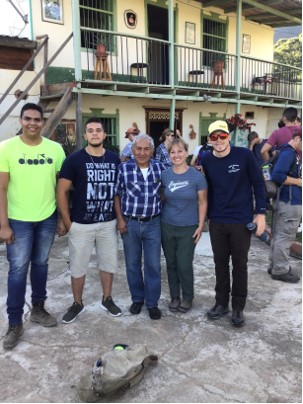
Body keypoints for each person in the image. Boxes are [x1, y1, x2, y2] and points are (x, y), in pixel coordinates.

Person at [0, 103, 66, 350]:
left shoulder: (56, 149)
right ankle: (15, 323)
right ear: (21, 120)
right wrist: (3, 225)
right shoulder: (6, 148)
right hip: (18, 220)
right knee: (17, 270)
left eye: (37, 119)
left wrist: (61, 217)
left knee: (41, 265)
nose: (32, 123)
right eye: (28, 118)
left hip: (47, 217)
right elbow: (1, 189)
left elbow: (62, 188)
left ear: (43, 122)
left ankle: (38, 308)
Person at [200, 120, 267, 327]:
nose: (218, 140)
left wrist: (261, 214)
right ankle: (221, 303)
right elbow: (208, 190)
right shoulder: (207, 160)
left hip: (240, 220)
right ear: (209, 140)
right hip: (218, 220)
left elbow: (258, 184)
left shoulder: (244, 155)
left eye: (222, 136)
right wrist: (206, 218)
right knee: (220, 264)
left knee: (239, 265)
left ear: (228, 136)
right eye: (214, 137)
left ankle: (238, 307)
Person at [57, 117, 122, 323]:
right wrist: (68, 222)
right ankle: (77, 303)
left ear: (104, 135)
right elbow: (62, 191)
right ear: (85, 135)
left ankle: (107, 298)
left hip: (108, 222)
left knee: (108, 263)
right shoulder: (74, 160)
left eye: (98, 130)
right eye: (90, 130)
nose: (95, 133)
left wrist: (119, 218)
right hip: (81, 223)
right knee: (78, 266)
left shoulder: (114, 159)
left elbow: (117, 192)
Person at [114, 134, 165, 320]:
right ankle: (137, 299)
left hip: (153, 223)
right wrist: (120, 219)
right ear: (132, 150)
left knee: (153, 265)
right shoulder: (123, 169)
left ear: (152, 151)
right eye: (138, 149)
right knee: (133, 264)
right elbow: (117, 194)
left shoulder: (161, 168)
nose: (142, 153)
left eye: (146, 149)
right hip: (130, 223)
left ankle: (152, 303)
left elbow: (165, 191)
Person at [161, 137, 207, 313]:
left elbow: (203, 202)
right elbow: (161, 197)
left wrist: (200, 225)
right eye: (173, 152)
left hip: (188, 227)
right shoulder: (165, 175)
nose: (176, 155)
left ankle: (188, 296)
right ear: (169, 154)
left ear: (187, 153)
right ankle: (174, 296)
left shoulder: (196, 176)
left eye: (180, 151)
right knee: (171, 263)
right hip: (167, 225)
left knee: (184, 264)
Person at [268, 127, 302, 283]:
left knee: (278, 235)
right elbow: (278, 175)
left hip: (283, 200)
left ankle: (274, 266)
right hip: (289, 201)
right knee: (285, 236)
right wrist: (299, 182)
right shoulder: (289, 153)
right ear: (297, 138)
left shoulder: (286, 151)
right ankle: (280, 269)